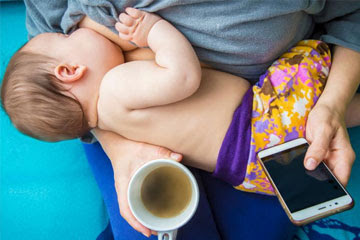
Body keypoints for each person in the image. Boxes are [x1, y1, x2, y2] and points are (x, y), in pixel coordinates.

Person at [21, 1, 360, 239]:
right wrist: (153, 30)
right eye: (68, 35)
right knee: (306, 87)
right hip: (257, 119)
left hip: (244, 167)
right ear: (69, 71)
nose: (70, 32)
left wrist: (333, 102)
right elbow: (184, 76)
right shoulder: (115, 86)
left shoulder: (106, 108)